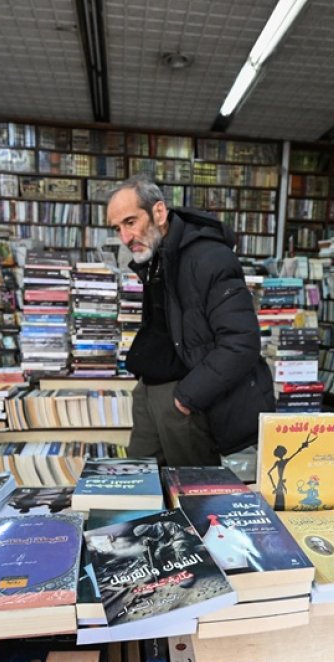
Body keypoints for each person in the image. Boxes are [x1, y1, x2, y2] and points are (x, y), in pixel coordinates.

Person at [108, 175, 274, 466]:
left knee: (192, 489)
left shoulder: (209, 258)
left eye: (130, 222)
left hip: (183, 399)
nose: (125, 237)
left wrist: (187, 397)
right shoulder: (156, 255)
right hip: (149, 392)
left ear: (159, 212)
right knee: (138, 486)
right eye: (117, 228)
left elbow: (242, 342)